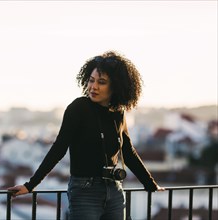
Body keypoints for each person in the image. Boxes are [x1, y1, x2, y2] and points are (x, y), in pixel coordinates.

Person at [8, 50, 164, 220]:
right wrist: (30, 185)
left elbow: (127, 151)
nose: (93, 86)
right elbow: (58, 149)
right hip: (84, 191)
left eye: (102, 82)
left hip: (114, 190)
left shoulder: (118, 112)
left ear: (115, 87)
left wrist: (150, 184)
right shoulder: (78, 108)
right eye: (91, 80)